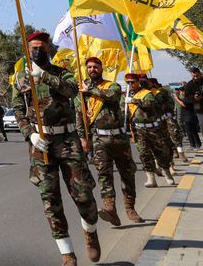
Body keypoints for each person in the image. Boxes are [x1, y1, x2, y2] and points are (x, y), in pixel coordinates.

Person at [13, 32, 100, 266]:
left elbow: (72, 91)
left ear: (48, 49)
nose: (37, 51)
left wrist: (44, 77)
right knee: (50, 198)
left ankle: (90, 230)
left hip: (68, 141)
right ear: (27, 50)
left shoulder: (63, 73)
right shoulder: (20, 78)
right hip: (41, 145)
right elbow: (18, 110)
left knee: (83, 195)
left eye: (41, 47)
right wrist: (29, 134)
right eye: (33, 48)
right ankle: (67, 252)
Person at [77, 56, 142, 227]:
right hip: (99, 139)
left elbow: (112, 97)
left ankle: (130, 208)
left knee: (127, 173)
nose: (92, 69)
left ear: (101, 68)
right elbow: (80, 115)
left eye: (95, 66)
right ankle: (110, 209)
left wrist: (89, 89)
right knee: (104, 175)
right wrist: (83, 138)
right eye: (89, 67)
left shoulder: (112, 85)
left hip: (119, 137)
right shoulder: (82, 92)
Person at [126, 73, 175, 187]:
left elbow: (149, 104)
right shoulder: (127, 96)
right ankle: (150, 178)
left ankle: (167, 173)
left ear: (138, 82)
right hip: (138, 129)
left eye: (132, 82)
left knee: (160, 152)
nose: (130, 85)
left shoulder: (146, 93)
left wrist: (134, 101)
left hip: (152, 128)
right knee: (144, 154)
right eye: (128, 83)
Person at [174, 86, 201, 150]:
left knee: (190, 131)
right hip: (189, 116)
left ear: (184, 91)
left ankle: (193, 144)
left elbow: (184, 104)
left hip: (189, 116)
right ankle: (197, 143)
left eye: (181, 91)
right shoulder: (188, 97)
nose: (180, 93)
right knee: (193, 131)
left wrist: (177, 99)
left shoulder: (188, 97)